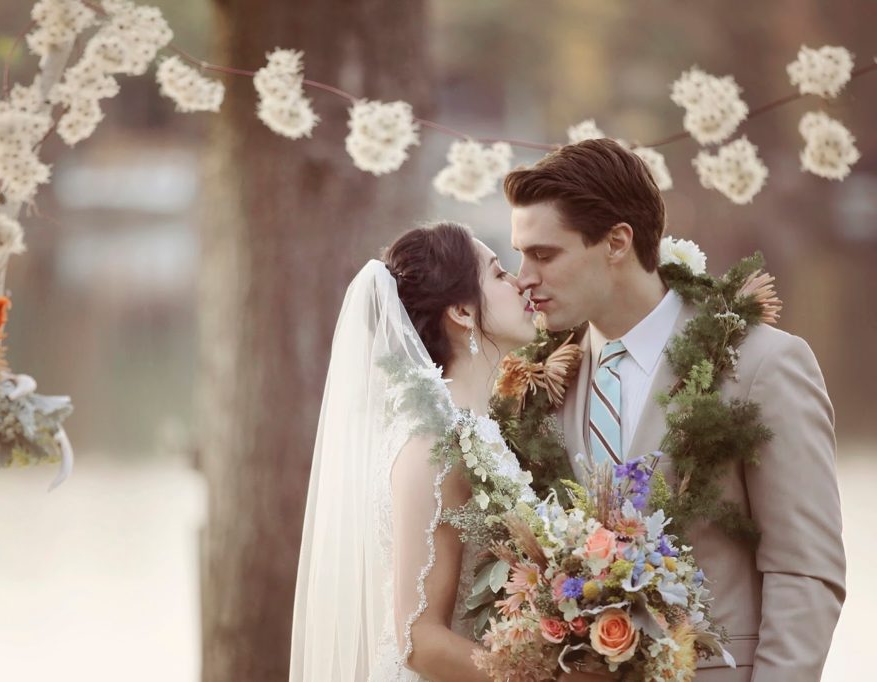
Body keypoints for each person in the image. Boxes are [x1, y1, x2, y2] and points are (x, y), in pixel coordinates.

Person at [504, 138, 846, 681]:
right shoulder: (539, 384)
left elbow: (804, 569)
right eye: (520, 254)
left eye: (544, 254)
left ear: (617, 242)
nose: (523, 277)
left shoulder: (763, 365)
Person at [290, 222, 538, 681]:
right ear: (462, 310)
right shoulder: (435, 444)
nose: (521, 282)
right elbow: (418, 641)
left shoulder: (472, 429)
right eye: (500, 274)